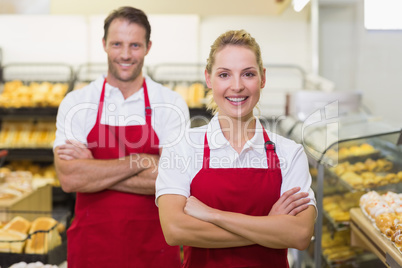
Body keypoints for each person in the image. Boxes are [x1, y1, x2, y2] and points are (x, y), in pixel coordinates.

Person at [156, 29, 317, 268]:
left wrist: (213, 215)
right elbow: (175, 229)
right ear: (208, 79)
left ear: (262, 78)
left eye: (248, 74)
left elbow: (300, 234)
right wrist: (268, 226)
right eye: (224, 75)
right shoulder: (181, 147)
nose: (237, 86)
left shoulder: (289, 153)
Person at [54, 6, 189, 268]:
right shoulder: (78, 102)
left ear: (148, 47)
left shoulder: (170, 103)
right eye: (117, 44)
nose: (125, 55)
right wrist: (141, 161)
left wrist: (93, 172)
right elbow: (70, 178)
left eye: (135, 45)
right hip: (92, 249)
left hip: (154, 250)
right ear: (104, 44)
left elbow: (176, 179)